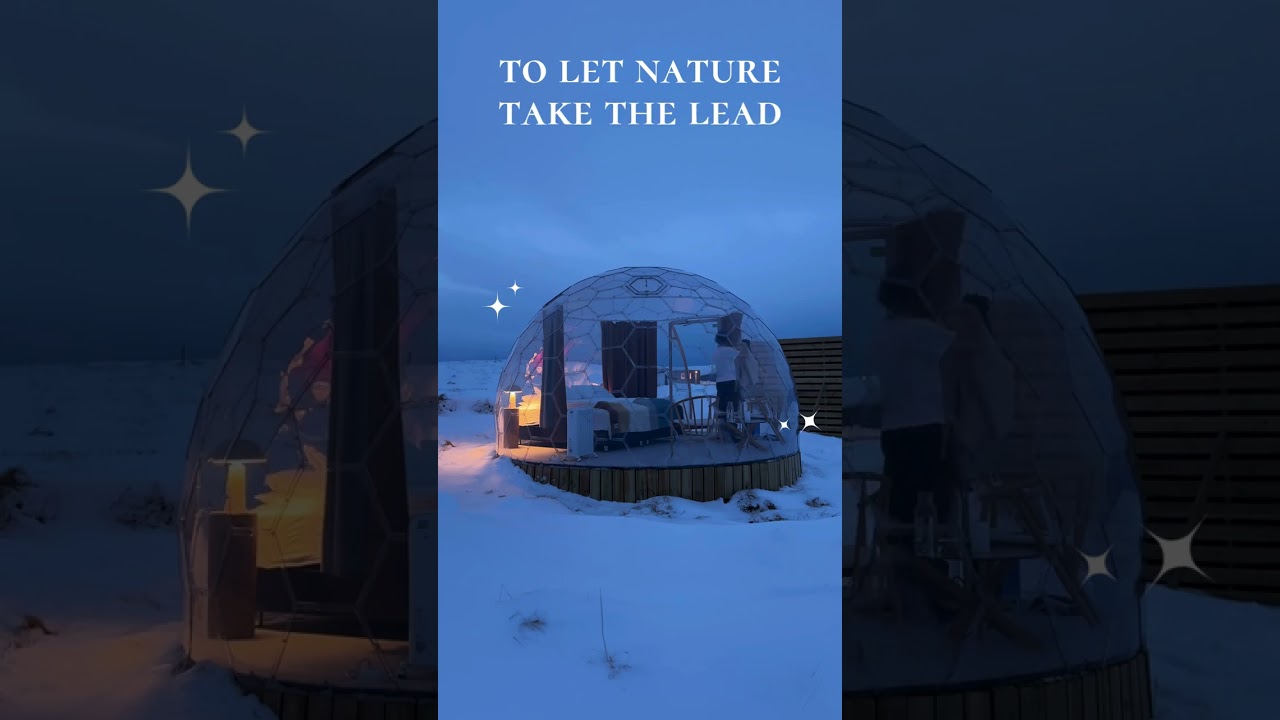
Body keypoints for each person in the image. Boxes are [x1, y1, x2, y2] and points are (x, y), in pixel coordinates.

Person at [870, 274, 958, 525]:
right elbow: (961, 347)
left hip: (894, 424)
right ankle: (928, 547)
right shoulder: (923, 331)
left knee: (900, 488)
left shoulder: (882, 332)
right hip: (926, 422)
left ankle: (900, 544)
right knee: (931, 491)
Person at [711, 334, 740, 437]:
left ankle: (723, 431)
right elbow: (741, 356)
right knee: (732, 406)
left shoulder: (715, 353)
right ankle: (733, 431)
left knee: (722, 406)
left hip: (720, 382)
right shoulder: (729, 350)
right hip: (730, 381)